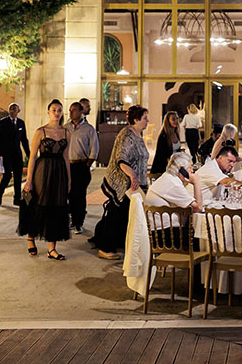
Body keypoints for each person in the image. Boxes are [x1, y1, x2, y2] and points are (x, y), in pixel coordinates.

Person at [93, 105, 150, 259]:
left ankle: (118, 244)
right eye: (145, 118)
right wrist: (133, 176)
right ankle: (105, 248)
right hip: (122, 185)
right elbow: (121, 159)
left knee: (125, 216)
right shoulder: (127, 135)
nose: (147, 121)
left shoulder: (137, 135)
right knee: (115, 215)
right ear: (136, 120)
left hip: (133, 185)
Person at [18, 99, 71, 260]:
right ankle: (31, 239)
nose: (57, 112)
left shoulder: (66, 132)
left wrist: (69, 180)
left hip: (59, 173)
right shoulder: (40, 131)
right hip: (42, 171)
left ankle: (52, 249)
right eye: (54, 110)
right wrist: (29, 180)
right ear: (48, 112)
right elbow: (32, 157)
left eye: (59, 110)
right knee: (38, 205)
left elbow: (66, 157)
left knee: (57, 207)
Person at [67, 101, 99, 234]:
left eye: (74, 110)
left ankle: (78, 222)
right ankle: (71, 219)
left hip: (81, 165)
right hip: (68, 165)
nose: (71, 113)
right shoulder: (66, 127)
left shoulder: (89, 129)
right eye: (70, 110)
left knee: (79, 195)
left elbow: (94, 149)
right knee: (69, 194)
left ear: (81, 112)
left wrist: (87, 165)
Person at [0, 102, 31, 206]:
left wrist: (29, 155)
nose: (12, 111)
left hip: (17, 154)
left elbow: (24, 140)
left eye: (14, 109)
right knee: (7, 176)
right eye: (10, 109)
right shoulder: (3, 122)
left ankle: (17, 199)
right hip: (5, 154)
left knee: (18, 177)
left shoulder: (21, 123)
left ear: (18, 111)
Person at [146, 152, 204, 217]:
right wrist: (196, 182)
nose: (192, 171)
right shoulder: (174, 184)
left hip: (161, 220)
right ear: (181, 169)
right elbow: (198, 209)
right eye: (190, 167)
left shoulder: (168, 177)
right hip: (167, 223)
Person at [151, 111, 181, 175]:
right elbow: (161, 155)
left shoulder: (176, 133)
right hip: (163, 167)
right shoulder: (163, 136)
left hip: (174, 165)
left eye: (177, 119)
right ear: (168, 121)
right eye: (173, 119)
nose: (176, 121)